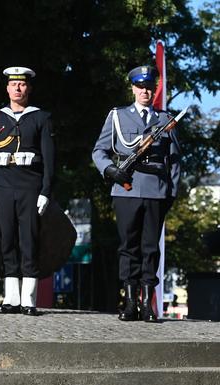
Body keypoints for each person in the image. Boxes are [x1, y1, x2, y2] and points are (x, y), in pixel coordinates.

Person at [92, 65, 180, 323]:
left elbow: (174, 161)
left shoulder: (165, 120)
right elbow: (99, 151)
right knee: (128, 246)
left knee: (151, 248)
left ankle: (146, 303)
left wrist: (171, 192)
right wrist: (110, 171)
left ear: (154, 90)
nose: (145, 91)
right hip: (126, 188)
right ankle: (130, 301)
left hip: (156, 190)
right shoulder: (118, 117)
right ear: (132, 88)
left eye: (149, 87)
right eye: (141, 86)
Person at [0, 66, 55, 316]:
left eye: (22, 84)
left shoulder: (40, 118)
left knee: (29, 240)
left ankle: (28, 299)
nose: (18, 88)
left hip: (29, 186)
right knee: (7, 240)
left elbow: (49, 159)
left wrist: (45, 191)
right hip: (2, 185)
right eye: (14, 84)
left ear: (29, 88)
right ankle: (11, 298)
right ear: (7, 88)